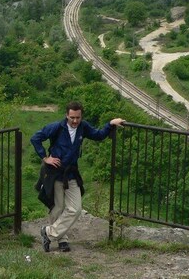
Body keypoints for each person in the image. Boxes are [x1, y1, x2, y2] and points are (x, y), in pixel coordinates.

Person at [30, 100, 125, 252]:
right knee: (58, 207)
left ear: (81, 116)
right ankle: (62, 239)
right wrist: (45, 157)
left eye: (78, 118)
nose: (75, 121)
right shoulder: (56, 127)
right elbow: (35, 138)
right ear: (66, 115)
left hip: (71, 173)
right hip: (55, 173)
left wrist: (110, 124)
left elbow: (98, 135)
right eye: (72, 117)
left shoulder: (83, 127)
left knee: (76, 208)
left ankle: (48, 233)